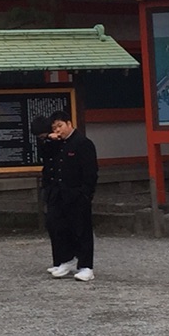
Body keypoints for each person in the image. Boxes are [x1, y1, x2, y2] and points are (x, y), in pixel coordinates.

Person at [42, 114, 99, 281]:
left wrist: (85, 193)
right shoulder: (58, 144)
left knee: (81, 229)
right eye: (54, 128)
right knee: (57, 227)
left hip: (76, 193)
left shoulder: (83, 143)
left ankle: (86, 266)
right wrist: (50, 140)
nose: (57, 130)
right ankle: (66, 259)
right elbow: (46, 159)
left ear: (69, 123)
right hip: (58, 193)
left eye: (60, 126)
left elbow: (90, 172)